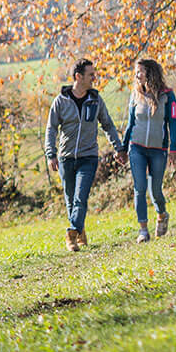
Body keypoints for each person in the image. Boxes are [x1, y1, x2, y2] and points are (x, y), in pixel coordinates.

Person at [44, 59, 124, 252]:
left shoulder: (95, 100)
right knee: (71, 199)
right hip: (66, 158)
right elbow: (51, 129)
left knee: (80, 197)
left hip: (88, 157)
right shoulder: (60, 101)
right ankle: (80, 230)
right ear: (78, 77)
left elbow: (108, 125)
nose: (94, 78)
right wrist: (51, 153)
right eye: (90, 75)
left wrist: (118, 148)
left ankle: (71, 233)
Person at [121, 58, 176, 242]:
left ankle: (162, 214)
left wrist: (174, 149)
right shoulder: (135, 95)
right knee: (139, 188)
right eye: (136, 72)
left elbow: (173, 124)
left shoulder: (167, 96)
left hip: (158, 149)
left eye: (140, 71)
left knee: (155, 190)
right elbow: (130, 124)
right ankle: (143, 231)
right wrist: (123, 147)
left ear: (150, 73)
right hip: (136, 147)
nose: (136, 75)